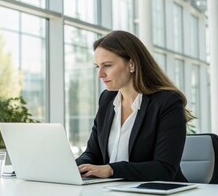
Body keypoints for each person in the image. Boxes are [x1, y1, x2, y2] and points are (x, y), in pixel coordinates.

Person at [76, 30, 194, 182]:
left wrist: (112, 169)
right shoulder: (107, 99)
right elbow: (93, 154)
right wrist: (73, 167)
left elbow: (164, 169)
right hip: (113, 190)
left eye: (107, 65)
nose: (100, 74)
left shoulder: (167, 102)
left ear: (131, 64)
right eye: (97, 66)